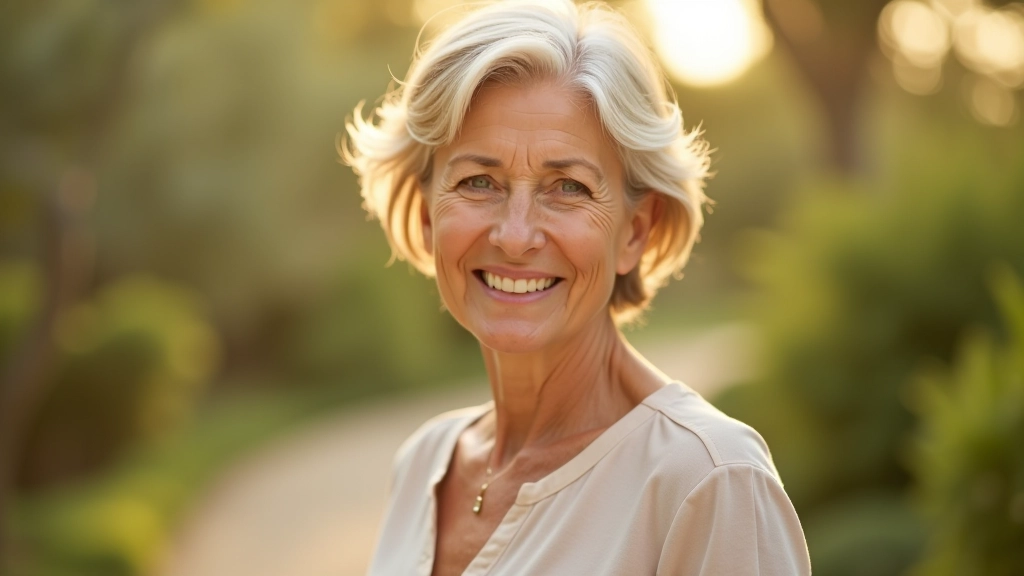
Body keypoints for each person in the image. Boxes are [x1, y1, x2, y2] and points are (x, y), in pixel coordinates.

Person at [343, 1, 811, 574]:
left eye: (567, 187)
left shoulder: (710, 481)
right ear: (424, 214)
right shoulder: (423, 464)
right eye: (478, 181)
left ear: (635, 232)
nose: (515, 237)